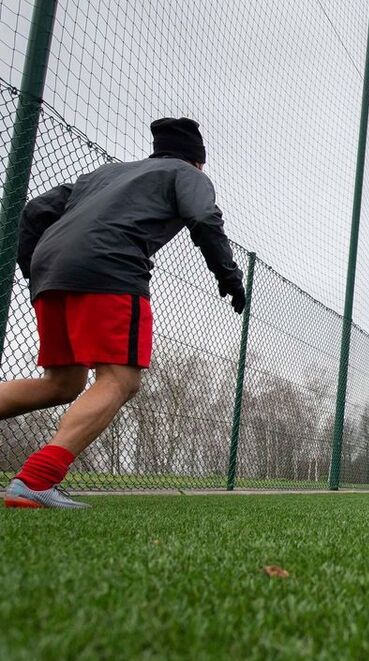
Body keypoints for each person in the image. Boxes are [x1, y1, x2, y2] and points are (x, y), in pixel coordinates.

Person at [3, 118, 244, 509]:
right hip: (110, 268)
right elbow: (204, 217)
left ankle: (37, 478)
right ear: (198, 160)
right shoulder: (186, 173)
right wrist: (230, 278)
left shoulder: (105, 174)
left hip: (50, 269)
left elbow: (33, 211)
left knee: (62, 383)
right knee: (120, 379)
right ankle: (37, 479)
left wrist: (38, 270)